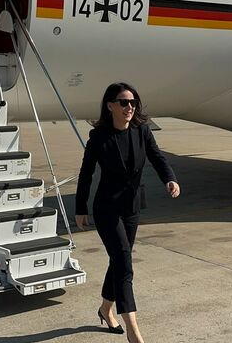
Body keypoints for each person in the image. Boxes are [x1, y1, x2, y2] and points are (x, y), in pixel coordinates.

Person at [75, 82, 180, 343]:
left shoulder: (142, 131)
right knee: (124, 263)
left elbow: (157, 157)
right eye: (123, 102)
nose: (129, 107)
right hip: (106, 209)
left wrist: (170, 179)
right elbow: (86, 174)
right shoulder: (98, 137)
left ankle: (105, 309)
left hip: (132, 207)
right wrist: (80, 208)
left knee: (119, 260)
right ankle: (133, 331)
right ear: (110, 106)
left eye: (133, 102)